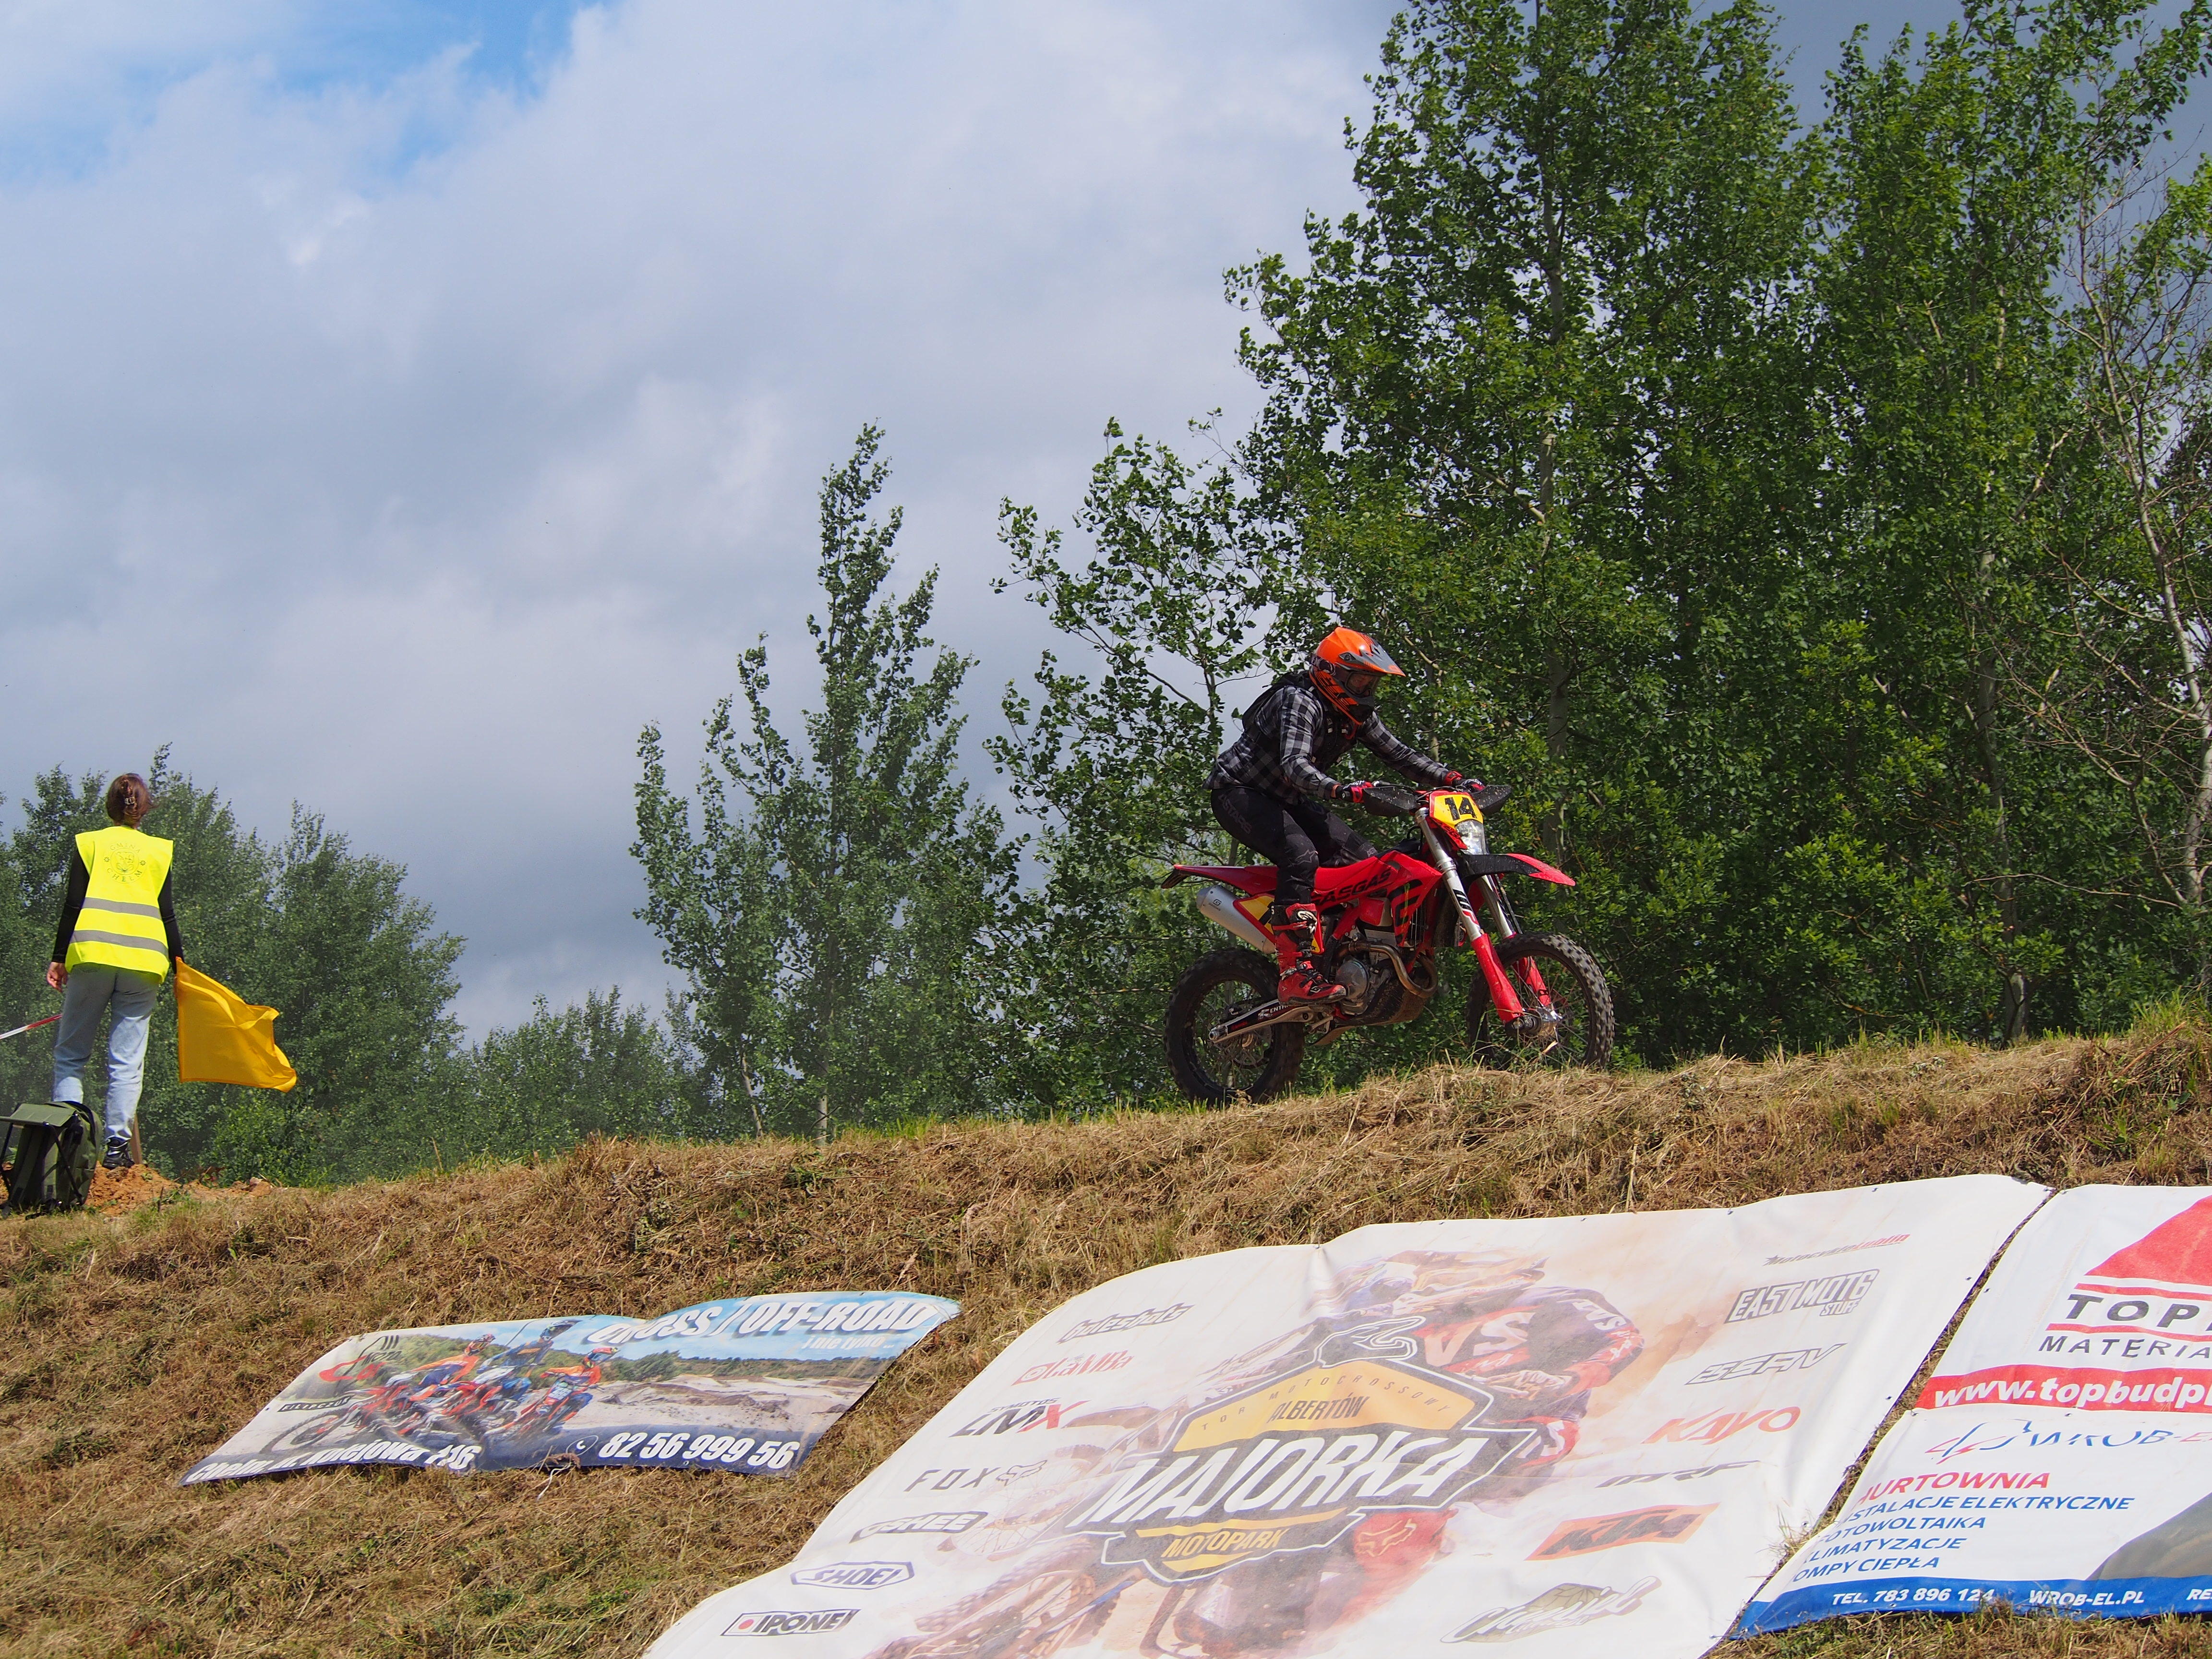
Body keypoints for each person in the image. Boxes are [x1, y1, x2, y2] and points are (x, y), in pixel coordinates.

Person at [1208, 627, 1467, 1003]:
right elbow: (1295, 765)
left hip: (1289, 799)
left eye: (1372, 683)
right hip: (1241, 792)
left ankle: (1341, 955)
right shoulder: (1300, 700)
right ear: (1332, 673)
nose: (1367, 690)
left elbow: (1400, 755)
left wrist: (1453, 779)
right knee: (1300, 855)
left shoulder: (1355, 714)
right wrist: (1342, 789)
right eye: (1361, 680)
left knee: (1368, 864)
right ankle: (1295, 971)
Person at [47, 773, 185, 1169]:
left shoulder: (90, 843)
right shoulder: (159, 850)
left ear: (110, 806)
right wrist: (180, 965)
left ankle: (69, 1139)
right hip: (145, 961)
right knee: (126, 1060)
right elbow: (167, 913)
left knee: (72, 1053)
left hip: (92, 954)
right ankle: (116, 1148)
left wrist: (59, 957)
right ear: (145, 809)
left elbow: (74, 904)